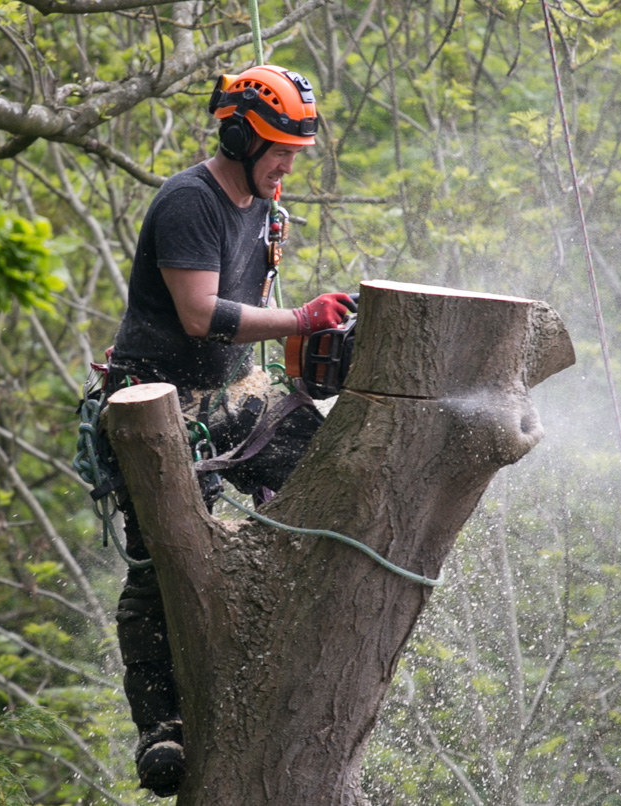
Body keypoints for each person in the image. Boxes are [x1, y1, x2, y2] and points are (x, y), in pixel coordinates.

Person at [104, 64, 353, 797]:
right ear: (241, 137)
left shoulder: (264, 206)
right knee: (162, 560)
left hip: (235, 392)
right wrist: (299, 319)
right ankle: (162, 727)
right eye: (279, 151)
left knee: (328, 468)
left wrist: (305, 344)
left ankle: (275, 639)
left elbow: (249, 313)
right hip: (159, 404)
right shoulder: (190, 201)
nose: (287, 167)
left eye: (295, 154)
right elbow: (199, 314)